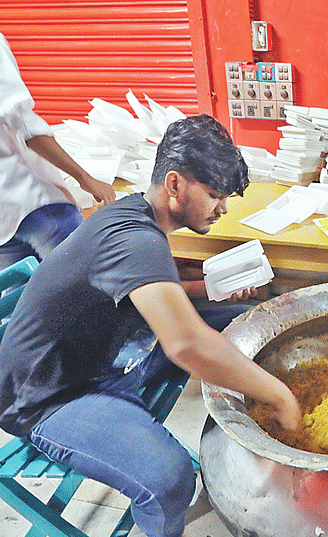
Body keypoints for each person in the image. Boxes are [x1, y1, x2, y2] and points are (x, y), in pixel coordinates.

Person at [0, 114, 301, 537]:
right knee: (170, 481)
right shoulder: (134, 237)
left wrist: (205, 289)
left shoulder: (137, 216)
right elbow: (185, 345)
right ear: (175, 184)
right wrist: (282, 398)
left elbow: (146, 286)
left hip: (112, 351)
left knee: (246, 320)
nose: (224, 209)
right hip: (53, 395)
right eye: (215, 195)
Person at [0, 33, 116, 272]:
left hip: (4, 216)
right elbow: (23, 123)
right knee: (82, 282)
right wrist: (86, 179)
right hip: (30, 199)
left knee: (19, 297)